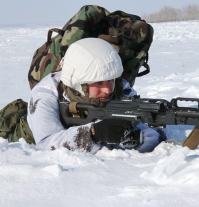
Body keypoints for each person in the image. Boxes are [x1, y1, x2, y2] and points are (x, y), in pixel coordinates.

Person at [27, 37, 166, 154]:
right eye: (98, 82)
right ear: (79, 84)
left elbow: (147, 127)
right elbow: (45, 144)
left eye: (110, 80)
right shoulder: (44, 94)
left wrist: (138, 138)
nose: (107, 90)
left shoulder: (119, 87)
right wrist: (93, 134)